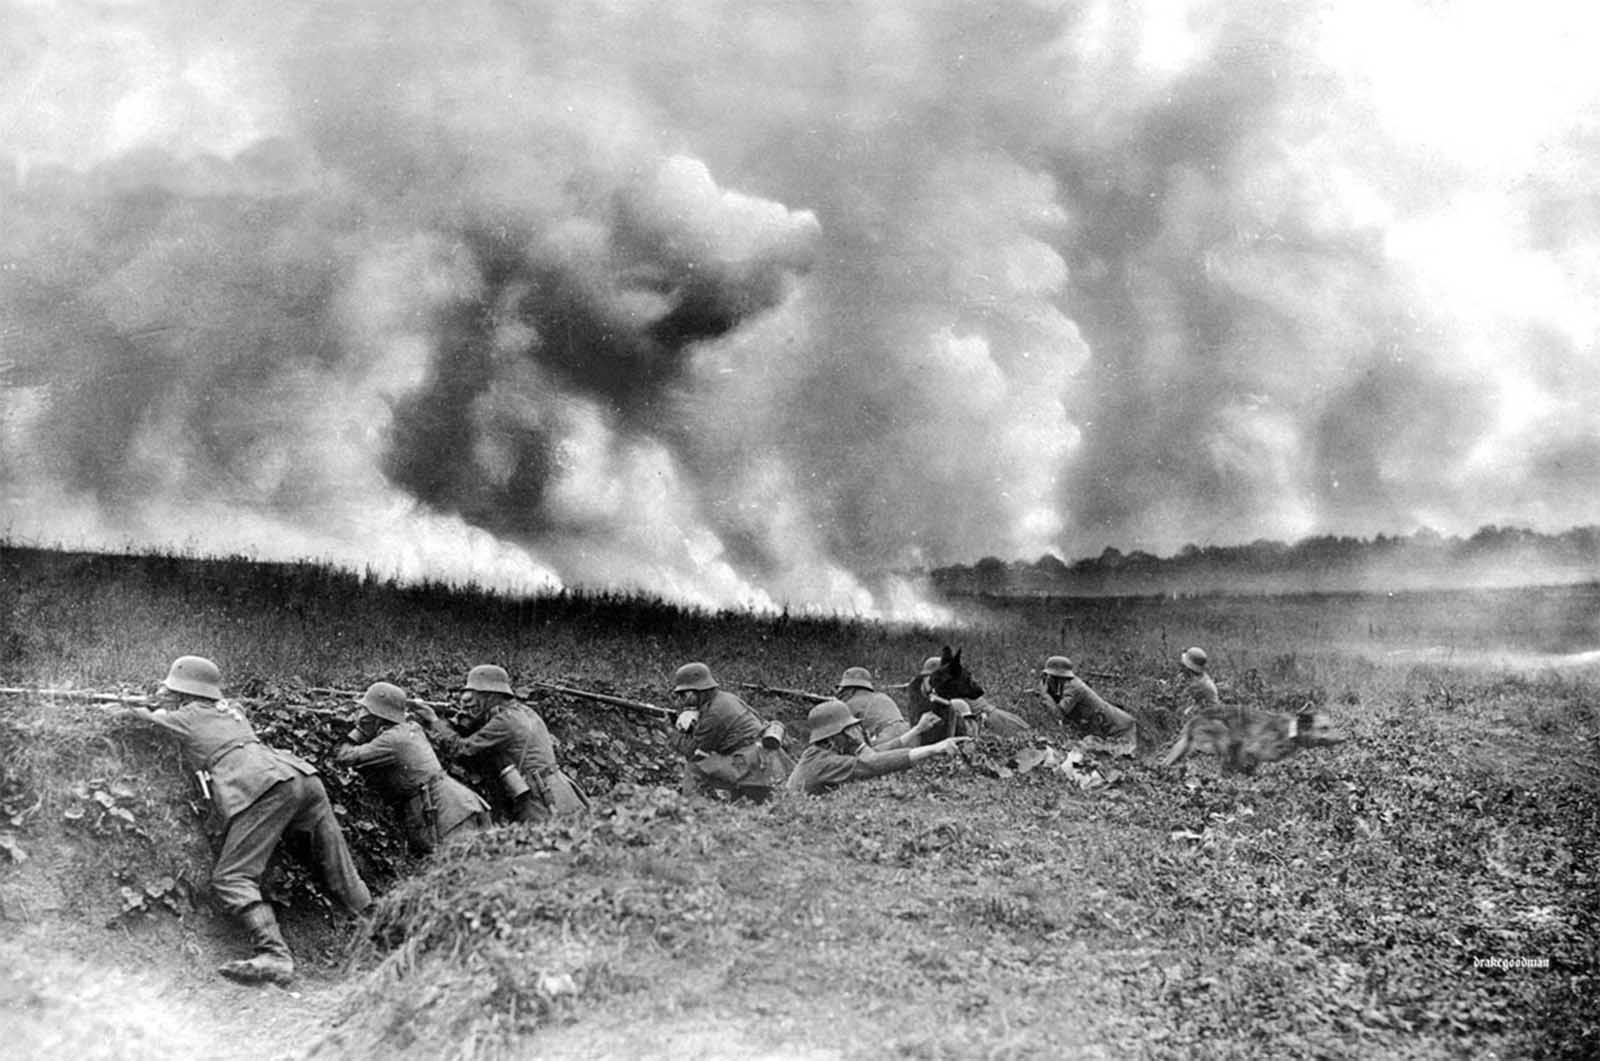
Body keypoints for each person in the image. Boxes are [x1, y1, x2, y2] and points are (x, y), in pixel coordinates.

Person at [121, 655, 371, 986]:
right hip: (299, 775)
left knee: (232, 876)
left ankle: (275, 956)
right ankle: (378, 928)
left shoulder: (187, 717)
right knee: (338, 866)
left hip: (262, 785)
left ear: (182, 692)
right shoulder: (233, 710)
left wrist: (132, 704)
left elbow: (138, 714)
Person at [415, 665, 588, 823]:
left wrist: (435, 721)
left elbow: (463, 749)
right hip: (559, 790)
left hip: (539, 799)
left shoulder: (505, 721)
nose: (470, 705)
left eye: (476, 699)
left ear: (490, 696)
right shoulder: (524, 711)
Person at [334, 682, 489, 855]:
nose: (361, 715)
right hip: (458, 805)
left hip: (447, 814)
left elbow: (345, 757)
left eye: (366, 711)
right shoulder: (410, 727)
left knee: (460, 870)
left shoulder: (393, 740)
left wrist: (358, 731)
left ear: (377, 716)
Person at [787, 699, 970, 795]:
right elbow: (872, 763)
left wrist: (917, 730)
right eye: (849, 730)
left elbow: (875, 754)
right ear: (836, 735)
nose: (855, 733)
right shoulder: (824, 762)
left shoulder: (820, 753)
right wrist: (934, 749)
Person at [671, 661, 792, 802]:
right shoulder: (725, 698)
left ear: (697, 691)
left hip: (750, 763)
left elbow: (693, 752)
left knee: (696, 768)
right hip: (763, 756)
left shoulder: (714, 713)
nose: (682, 700)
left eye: (683, 695)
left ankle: (692, 810)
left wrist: (670, 730)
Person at [1033, 655, 1137, 755]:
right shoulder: (1064, 685)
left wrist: (1045, 695)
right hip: (1108, 728)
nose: (1046, 680)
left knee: (1120, 760)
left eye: (1048, 677)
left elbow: (1058, 714)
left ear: (1057, 677)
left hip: (1121, 728)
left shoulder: (1074, 687)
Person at [835, 666, 910, 743]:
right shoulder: (882, 696)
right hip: (908, 732)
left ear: (851, 689)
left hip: (885, 737)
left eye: (843, 690)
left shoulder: (851, 704)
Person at [1178, 646, 1222, 716]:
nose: (1181, 665)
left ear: (1189, 668)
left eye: (1183, 664)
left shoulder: (1198, 683)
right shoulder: (1198, 676)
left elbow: (1180, 696)